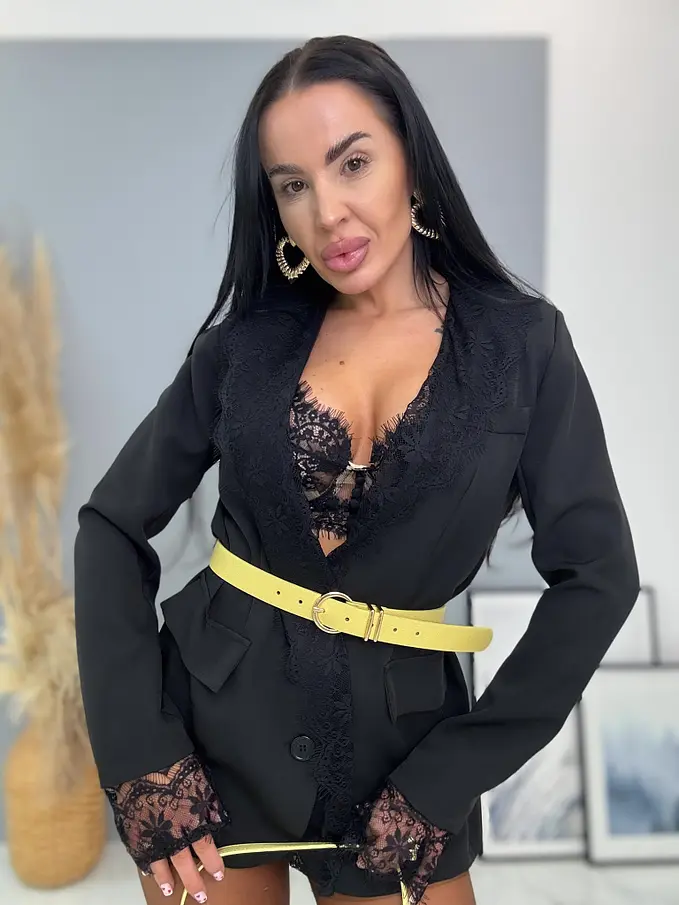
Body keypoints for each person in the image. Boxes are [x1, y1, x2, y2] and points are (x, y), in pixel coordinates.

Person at [73, 35, 640, 905]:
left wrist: (450, 774)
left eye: (352, 163)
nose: (327, 212)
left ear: (410, 162)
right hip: (207, 743)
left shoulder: (523, 345)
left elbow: (597, 578)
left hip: (401, 771)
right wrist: (141, 755)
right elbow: (110, 525)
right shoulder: (241, 347)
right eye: (292, 184)